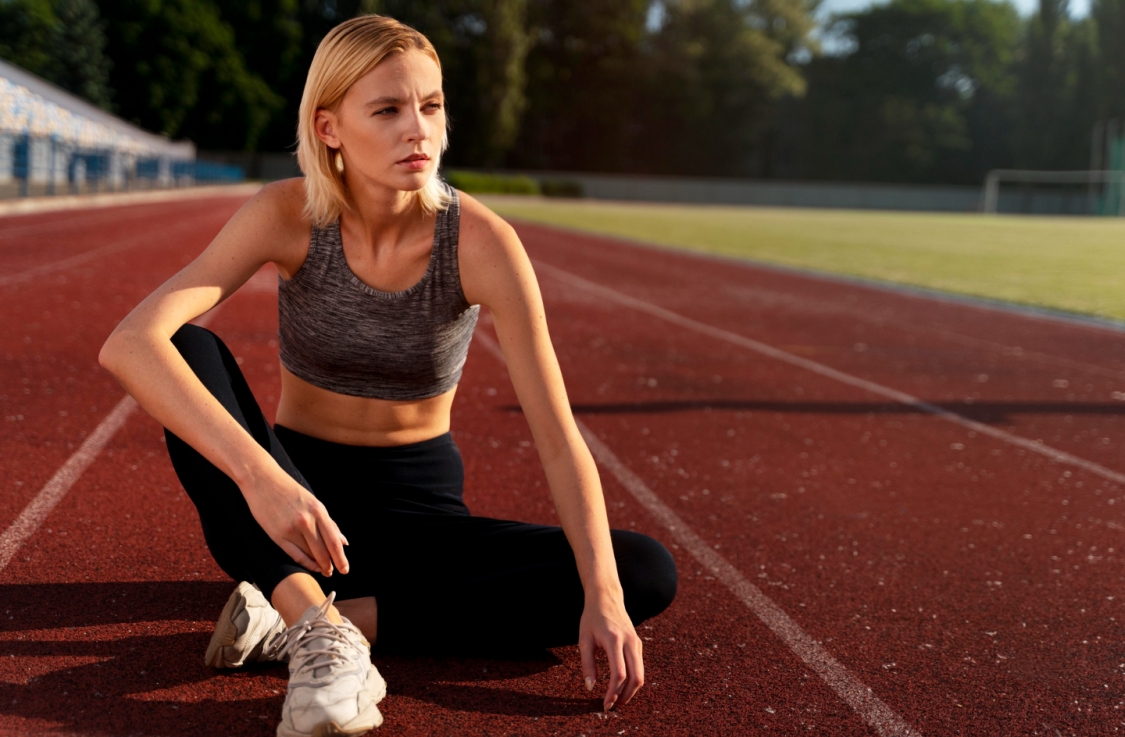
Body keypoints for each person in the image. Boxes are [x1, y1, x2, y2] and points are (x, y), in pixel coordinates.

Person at [99, 14, 676, 737]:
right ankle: (313, 619)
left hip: (417, 516)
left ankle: (314, 624)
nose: (419, 130)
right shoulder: (285, 214)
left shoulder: (481, 243)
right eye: (389, 109)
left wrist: (603, 596)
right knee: (184, 348)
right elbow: (129, 343)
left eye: (430, 106)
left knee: (640, 570)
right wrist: (261, 478)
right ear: (330, 127)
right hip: (293, 502)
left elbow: (558, 439)